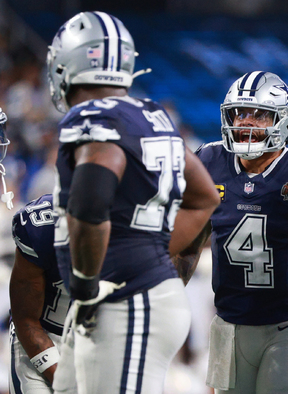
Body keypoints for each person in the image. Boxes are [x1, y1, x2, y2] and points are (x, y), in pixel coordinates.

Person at [46, 11, 220, 393]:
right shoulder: (151, 115)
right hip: (134, 294)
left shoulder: (93, 119)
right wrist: (154, 250)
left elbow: (91, 204)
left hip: (124, 299)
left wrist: (86, 284)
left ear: (67, 63)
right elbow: (205, 196)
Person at [196, 71, 288, 393]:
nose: (246, 123)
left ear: (282, 120)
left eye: (260, 115)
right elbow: (184, 241)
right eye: (240, 113)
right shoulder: (207, 160)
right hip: (228, 323)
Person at [9, 194, 68, 393]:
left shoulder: (143, 232)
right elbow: (26, 319)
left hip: (104, 339)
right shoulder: (42, 228)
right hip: (45, 334)